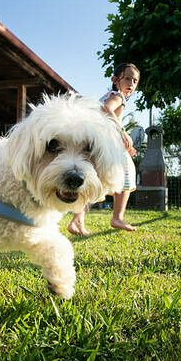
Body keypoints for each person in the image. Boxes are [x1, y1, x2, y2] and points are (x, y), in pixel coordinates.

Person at [67, 63, 140, 236]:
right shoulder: (118, 96)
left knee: (95, 181)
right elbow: (106, 108)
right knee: (127, 174)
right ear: (115, 80)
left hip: (101, 142)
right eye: (127, 78)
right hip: (108, 143)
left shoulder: (109, 95)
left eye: (135, 80)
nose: (131, 83)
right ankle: (117, 217)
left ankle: (77, 221)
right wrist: (123, 132)